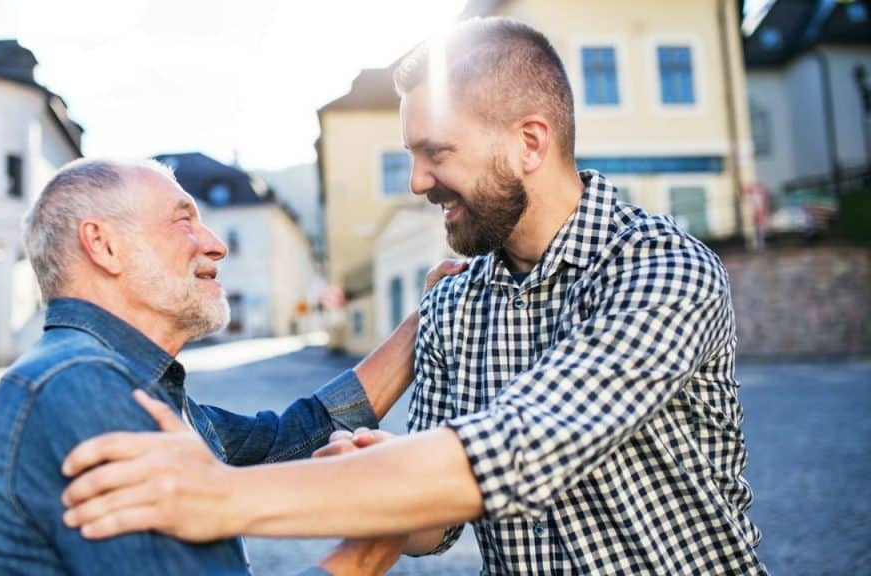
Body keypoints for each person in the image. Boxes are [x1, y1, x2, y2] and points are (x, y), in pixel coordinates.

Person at [59, 17, 767, 575]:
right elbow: (437, 528)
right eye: (411, 157)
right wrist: (376, 465)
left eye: (437, 153)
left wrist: (218, 498)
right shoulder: (455, 307)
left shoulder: (662, 270)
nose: (418, 183)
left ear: (529, 143)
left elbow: (524, 445)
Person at [0, 157, 461, 575]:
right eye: (184, 220)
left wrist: (425, 321)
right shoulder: (80, 387)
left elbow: (299, 433)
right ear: (103, 245)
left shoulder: (139, 388)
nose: (216, 244)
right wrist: (377, 537)